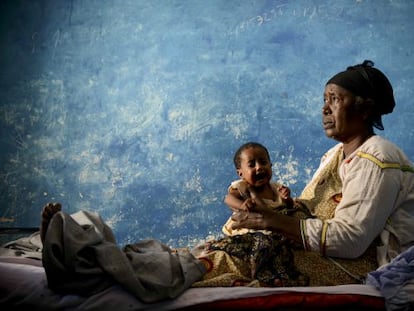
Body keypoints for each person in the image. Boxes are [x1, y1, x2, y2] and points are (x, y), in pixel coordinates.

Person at [193, 60, 414, 287]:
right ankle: (174, 270)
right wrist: (270, 215)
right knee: (235, 250)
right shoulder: (335, 155)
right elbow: (310, 209)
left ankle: (172, 276)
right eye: (325, 100)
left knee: (255, 259)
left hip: (359, 262)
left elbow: (351, 240)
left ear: (365, 109)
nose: (325, 108)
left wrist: (272, 220)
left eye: (335, 99)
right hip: (324, 251)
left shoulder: (378, 158)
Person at [222, 141, 304, 237]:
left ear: (270, 165)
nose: (259, 167)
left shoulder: (276, 187)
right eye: (251, 165)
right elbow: (228, 199)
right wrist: (242, 206)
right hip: (249, 228)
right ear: (241, 174)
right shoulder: (243, 187)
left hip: (271, 225)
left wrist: (287, 198)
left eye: (263, 162)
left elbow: (289, 207)